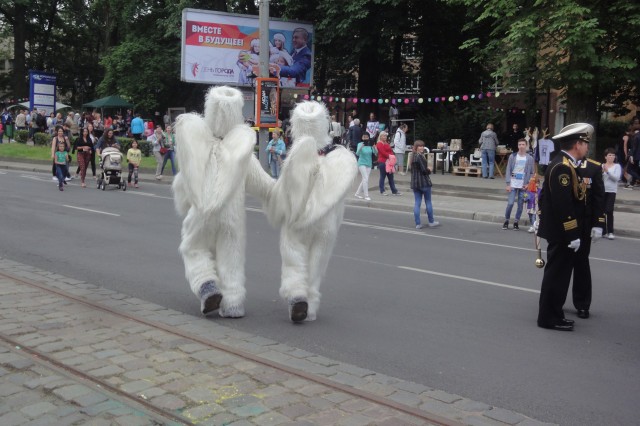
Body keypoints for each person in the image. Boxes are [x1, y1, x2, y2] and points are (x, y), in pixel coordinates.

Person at [537, 123, 598, 331]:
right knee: (556, 277)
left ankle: (555, 314)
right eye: (585, 144)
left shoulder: (564, 163)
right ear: (578, 144)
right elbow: (563, 205)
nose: (587, 149)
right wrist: (573, 233)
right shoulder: (563, 166)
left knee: (559, 276)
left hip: (561, 231)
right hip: (562, 233)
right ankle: (548, 318)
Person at [571, 151, 605, 320]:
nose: (583, 146)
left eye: (584, 143)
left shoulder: (594, 167)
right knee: (560, 266)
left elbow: (599, 197)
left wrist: (599, 223)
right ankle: (555, 301)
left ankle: (582, 304)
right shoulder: (563, 164)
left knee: (582, 266)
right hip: (565, 225)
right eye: (580, 143)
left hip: (584, 226)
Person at [502, 139, 535, 230]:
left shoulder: (529, 158)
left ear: (526, 146)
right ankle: (506, 220)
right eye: (519, 144)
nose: (521, 146)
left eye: (523, 144)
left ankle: (516, 221)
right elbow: (508, 170)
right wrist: (508, 183)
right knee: (510, 203)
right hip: (513, 184)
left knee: (520, 205)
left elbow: (532, 172)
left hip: (523, 185)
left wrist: (528, 184)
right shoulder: (513, 156)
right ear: (517, 146)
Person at [411, 140, 439, 229]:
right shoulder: (419, 157)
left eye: (423, 146)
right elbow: (424, 171)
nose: (422, 148)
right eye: (420, 146)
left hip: (415, 183)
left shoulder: (412, 157)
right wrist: (429, 169)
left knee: (417, 203)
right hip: (424, 183)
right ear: (416, 147)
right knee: (428, 202)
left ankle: (418, 223)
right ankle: (431, 221)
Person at [602, 148, 621, 239]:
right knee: (601, 211)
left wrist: (607, 172)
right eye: (609, 155)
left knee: (609, 210)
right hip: (602, 191)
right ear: (605, 157)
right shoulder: (602, 166)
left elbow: (616, 178)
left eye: (613, 155)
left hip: (611, 191)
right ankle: (603, 231)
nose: (611, 157)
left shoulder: (617, 166)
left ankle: (610, 231)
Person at [376, 131, 401, 196]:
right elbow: (382, 152)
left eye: (386, 136)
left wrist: (392, 156)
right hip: (383, 162)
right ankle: (382, 190)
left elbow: (390, 151)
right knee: (383, 176)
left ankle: (394, 191)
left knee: (391, 177)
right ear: (380, 136)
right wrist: (390, 156)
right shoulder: (379, 143)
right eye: (383, 136)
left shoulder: (386, 143)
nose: (385, 137)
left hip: (389, 162)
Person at [354, 133, 377, 200]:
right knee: (365, 179)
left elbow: (375, 152)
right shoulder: (360, 144)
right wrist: (361, 148)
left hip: (369, 163)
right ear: (362, 137)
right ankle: (366, 195)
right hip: (361, 163)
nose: (365, 138)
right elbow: (357, 153)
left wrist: (374, 148)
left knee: (365, 179)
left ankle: (357, 193)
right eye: (364, 137)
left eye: (367, 137)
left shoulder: (370, 144)